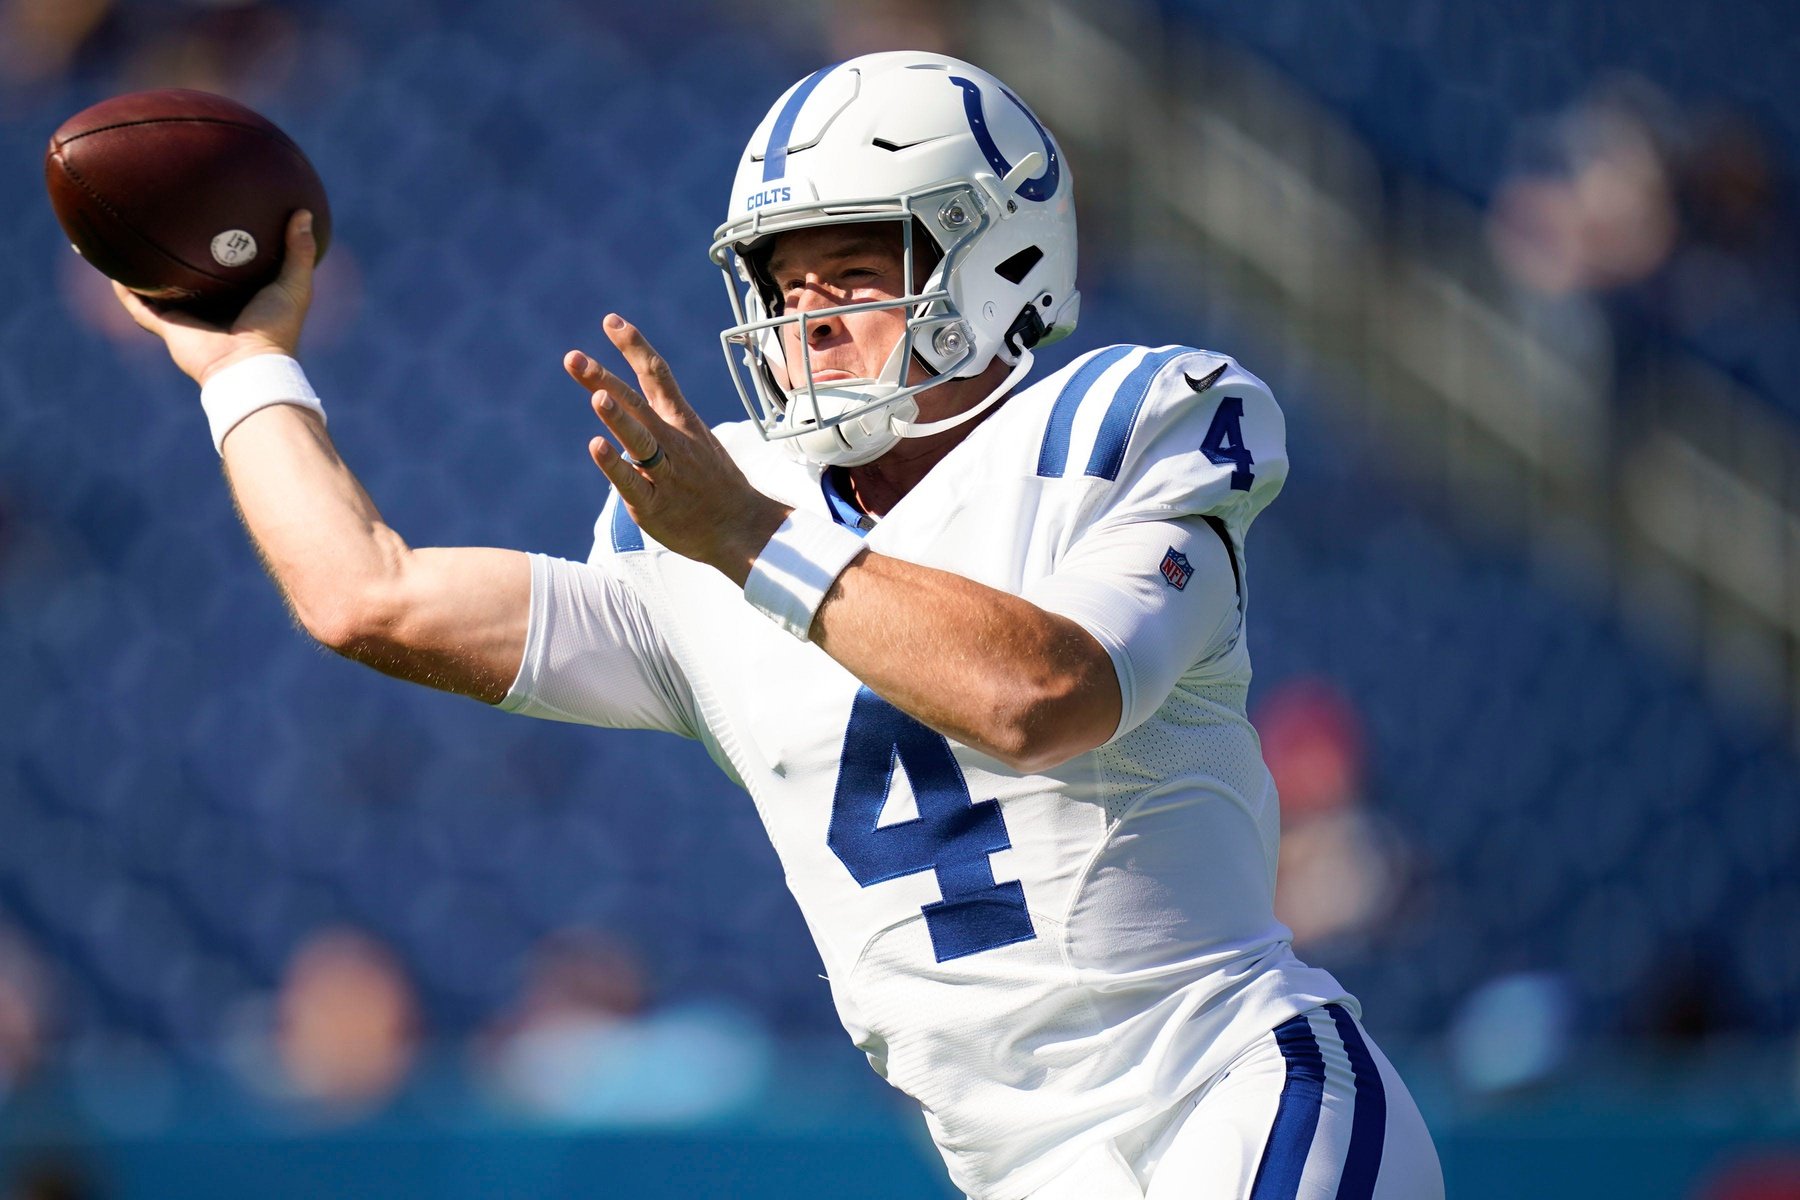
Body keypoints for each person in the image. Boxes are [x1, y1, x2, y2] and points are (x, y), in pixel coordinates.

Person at [113, 49, 1443, 1200]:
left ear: (1002, 257)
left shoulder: (1126, 420)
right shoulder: (707, 532)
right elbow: (365, 594)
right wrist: (242, 368)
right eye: (782, 283)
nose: (808, 320)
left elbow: (1045, 696)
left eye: (854, 272)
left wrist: (753, 541)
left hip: (1230, 1103)